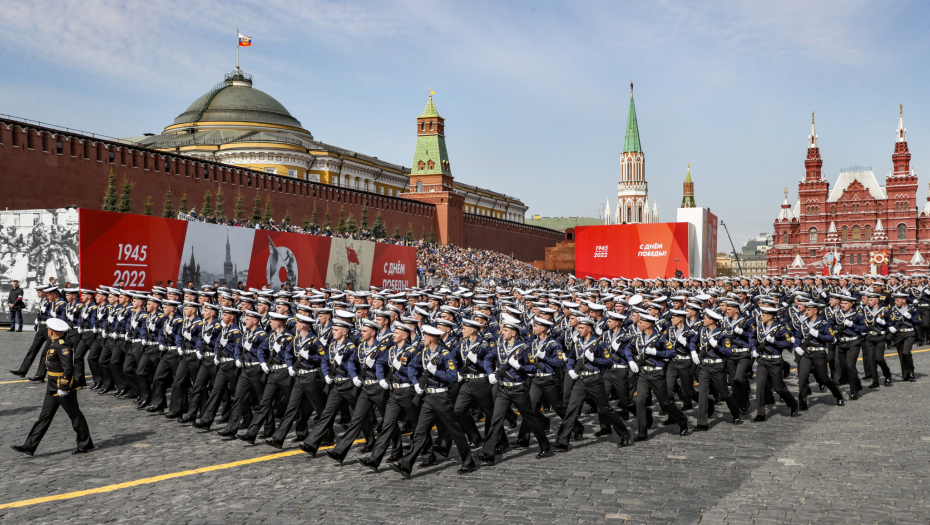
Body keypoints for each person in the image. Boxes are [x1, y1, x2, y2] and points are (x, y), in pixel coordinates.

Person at [391, 325, 478, 477]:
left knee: (455, 431)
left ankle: (468, 461)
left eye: (424, 337)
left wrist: (435, 371)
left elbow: (452, 377)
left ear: (430, 339)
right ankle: (406, 464)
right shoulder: (424, 353)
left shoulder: (445, 355)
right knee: (420, 431)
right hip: (428, 398)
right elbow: (411, 367)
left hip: (441, 398)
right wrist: (416, 382)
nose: (422, 339)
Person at [11, 318, 94, 456]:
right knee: (44, 417)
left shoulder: (63, 346)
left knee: (75, 415)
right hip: (52, 385)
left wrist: (63, 386)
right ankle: (29, 446)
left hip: (62, 386)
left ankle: (85, 444)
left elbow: (68, 368)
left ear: (51, 331)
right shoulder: (55, 343)